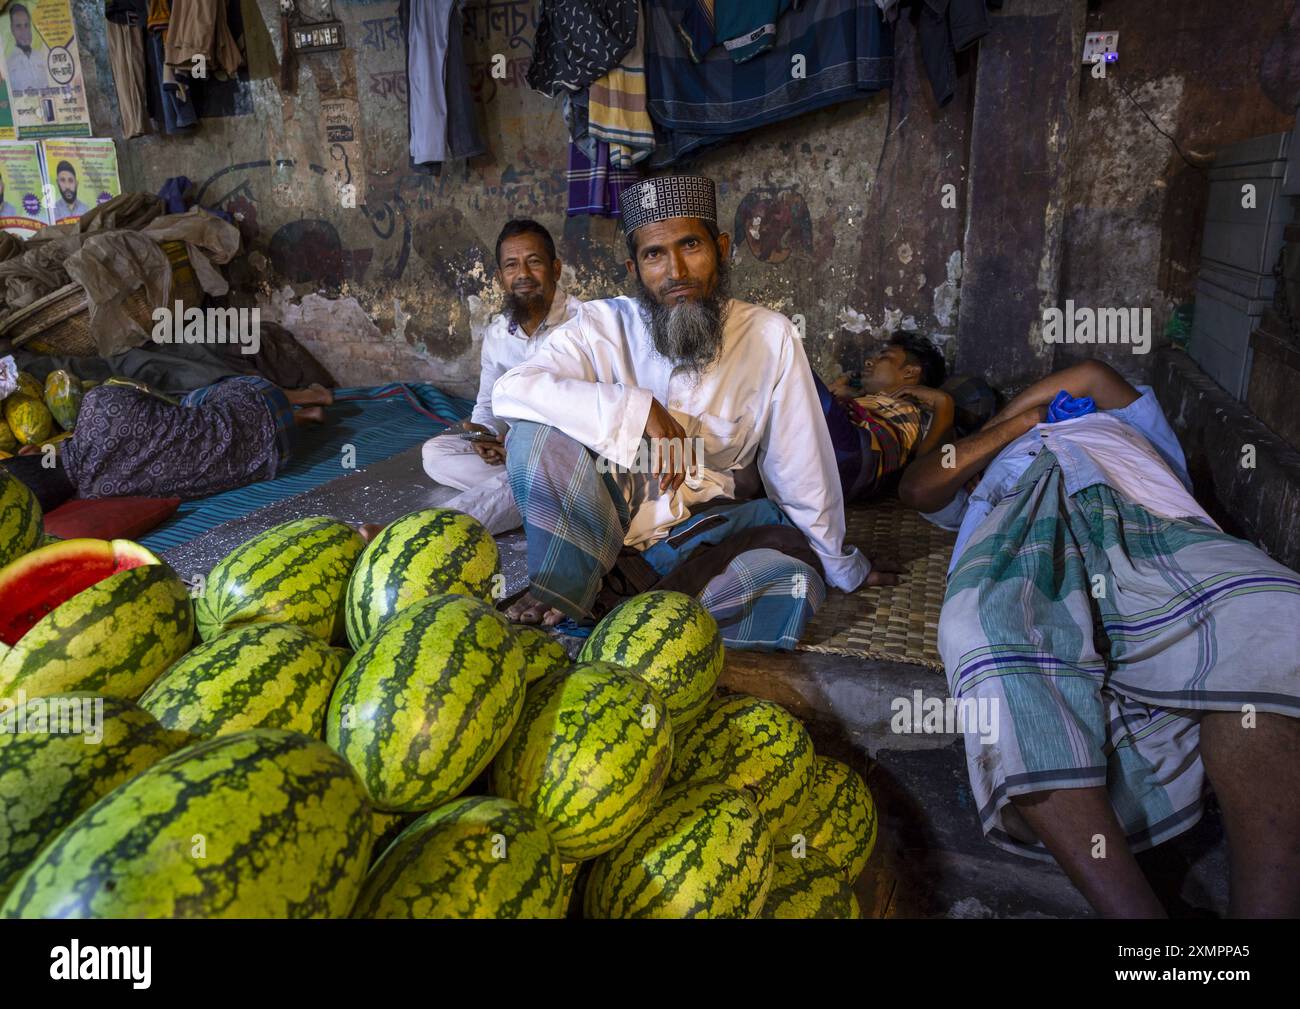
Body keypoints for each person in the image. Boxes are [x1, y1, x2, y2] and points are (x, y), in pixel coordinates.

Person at [898, 359, 1300, 918]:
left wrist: (1047, 418)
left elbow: (1088, 374)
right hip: (1022, 532)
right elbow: (917, 487)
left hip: (1148, 518)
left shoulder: (1131, 427)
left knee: (1268, 612)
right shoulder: (986, 471)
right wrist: (1018, 427)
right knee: (981, 632)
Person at [492, 174, 899, 649]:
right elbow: (513, 389)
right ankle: (575, 593)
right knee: (532, 435)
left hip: (702, 533)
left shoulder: (770, 337)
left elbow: (801, 467)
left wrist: (839, 565)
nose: (676, 270)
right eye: (654, 255)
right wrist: (636, 407)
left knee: (792, 581)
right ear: (635, 266)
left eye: (691, 245)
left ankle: (608, 612)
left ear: (721, 247)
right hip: (601, 520)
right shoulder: (599, 327)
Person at [421, 219, 580, 534]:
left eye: (533, 262)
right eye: (511, 265)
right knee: (434, 453)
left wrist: (524, 449)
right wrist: (482, 434)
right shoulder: (497, 333)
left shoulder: (585, 325)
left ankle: (429, 532)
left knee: (537, 474)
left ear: (556, 269)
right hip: (514, 453)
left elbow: (594, 415)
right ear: (500, 278)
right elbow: (487, 403)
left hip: (567, 457)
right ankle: (535, 493)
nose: (522, 274)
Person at [2, 376, 333, 507]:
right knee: (193, 402)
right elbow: (155, 400)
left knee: (200, 429)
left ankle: (306, 418)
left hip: (272, 459)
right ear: (31, 451)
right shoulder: (98, 405)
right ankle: (309, 395)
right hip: (262, 405)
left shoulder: (100, 497)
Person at [819, 332, 955, 502]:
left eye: (884, 357)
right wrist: (837, 389)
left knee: (786, 345)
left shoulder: (918, 411)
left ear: (910, 372)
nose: (868, 362)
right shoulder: (864, 400)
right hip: (826, 463)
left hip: (857, 456)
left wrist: (943, 403)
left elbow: (925, 471)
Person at [5, 4, 49, 95]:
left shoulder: (43, 57)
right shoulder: (7, 64)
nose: (24, 31)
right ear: (12, 29)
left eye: (26, 25)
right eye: (18, 26)